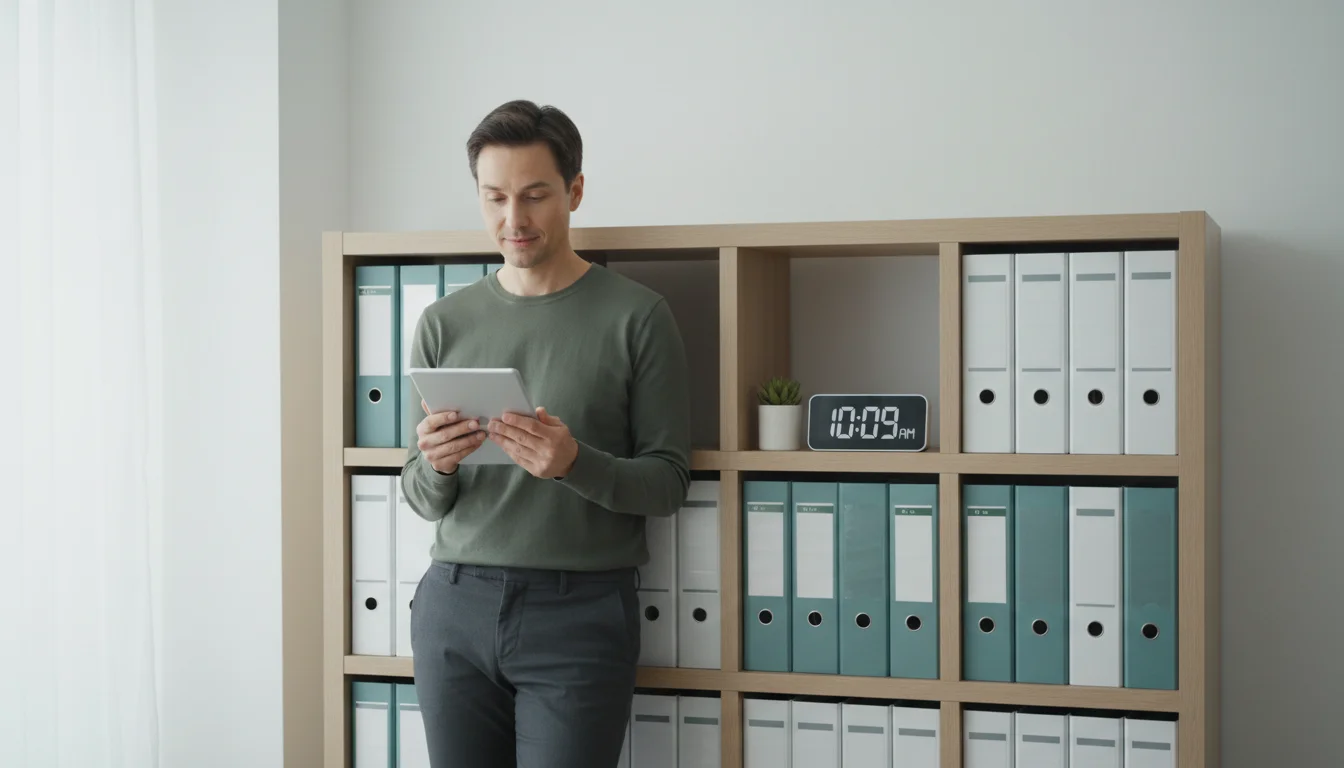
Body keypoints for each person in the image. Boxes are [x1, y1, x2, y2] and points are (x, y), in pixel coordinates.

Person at [401, 99, 692, 768]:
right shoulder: (444, 322)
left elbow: (669, 482)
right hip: (453, 605)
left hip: (580, 612)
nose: (514, 220)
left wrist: (574, 463)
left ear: (575, 192)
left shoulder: (638, 317)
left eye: (534, 196)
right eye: (495, 197)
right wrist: (436, 465)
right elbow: (417, 493)